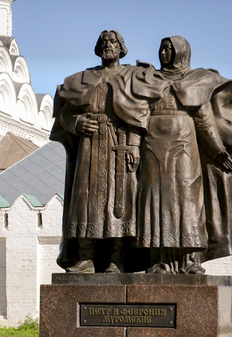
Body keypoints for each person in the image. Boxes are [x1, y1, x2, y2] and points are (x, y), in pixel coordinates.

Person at [129, 36, 232, 273]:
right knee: (155, 201)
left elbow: (204, 121)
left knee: (187, 201)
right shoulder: (149, 80)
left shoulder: (196, 80)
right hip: (152, 148)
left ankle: (191, 260)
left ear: (181, 52)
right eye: (162, 48)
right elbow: (136, 117)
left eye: (169, 49)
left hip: (184, 149)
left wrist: (218, 151)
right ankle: (159, 260)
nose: (163, 53)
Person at [51, 30, 151, 273]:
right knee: (86, 200)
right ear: (97, 47)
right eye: (103, 42)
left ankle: (117, 260)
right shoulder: (82, 78)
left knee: (121, 201)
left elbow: (141, 111)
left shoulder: (131, 76)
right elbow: (64, 111)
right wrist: (76, 123)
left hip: (121, 145)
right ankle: (85, 258)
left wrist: (135, 144)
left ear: (121, 47)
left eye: (113, 41)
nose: (108, 45)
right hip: (90, 145)